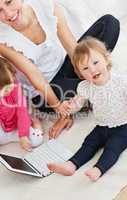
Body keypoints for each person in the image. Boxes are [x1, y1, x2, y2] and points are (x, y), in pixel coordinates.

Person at [0, 0, 120, 138]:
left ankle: (91, 84)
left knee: (109, 23)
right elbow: (34, 75)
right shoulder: (3, 40)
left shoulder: (43, 4)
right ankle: (92, 87)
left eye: (9, 2)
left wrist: (83, 69)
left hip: (64, 64)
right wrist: (59, 108)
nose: (8, 14)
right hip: (46, 90)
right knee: (92, 91)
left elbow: (69, 42)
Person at [47, 37, 127, 181]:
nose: (92, 69)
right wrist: (69, 106)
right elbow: (78, 104)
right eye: (85, 68)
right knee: (89, 142)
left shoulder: (120, 80)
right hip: (103, 124)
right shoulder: (85, 87)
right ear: (80, 73)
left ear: (106, 59)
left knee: (113, 146)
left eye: (95, 62)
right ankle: (71, 165)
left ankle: (98, 169)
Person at [0, 57, 44, 151]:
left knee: (36, 140)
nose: (9, 89)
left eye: (11, 82)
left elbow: (22, 112)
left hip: (18, 125)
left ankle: (37, 124)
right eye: (3, 89)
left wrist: (23, 135)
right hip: (3, 129)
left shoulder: (15, 87)